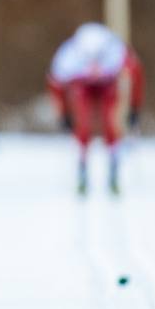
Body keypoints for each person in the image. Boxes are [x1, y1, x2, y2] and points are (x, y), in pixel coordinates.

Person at [47, 22, 143, 195]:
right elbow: (55, 84)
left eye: (99, 59)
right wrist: (63, 114)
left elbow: (136, 75)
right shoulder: (68, 57)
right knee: (83, 122)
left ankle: (113, 168)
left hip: (108, 85)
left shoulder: (117, 53)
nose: (94, 65)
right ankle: (82, 168)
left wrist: (135, 107)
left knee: (110, 123)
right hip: (82, 85)